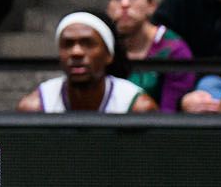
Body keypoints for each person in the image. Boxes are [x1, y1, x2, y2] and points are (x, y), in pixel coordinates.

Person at [19, 9, 157, 112]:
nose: (76, 52)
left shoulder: (136, 107)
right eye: (67, 44)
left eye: (88, 44)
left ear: (109, 55)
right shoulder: (36, 106)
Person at [104, 0, 197, 113]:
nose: (124, 3)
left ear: (151, 6)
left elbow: (169, 115)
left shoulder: (174, 50)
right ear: (108, 8)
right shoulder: (101, 47)